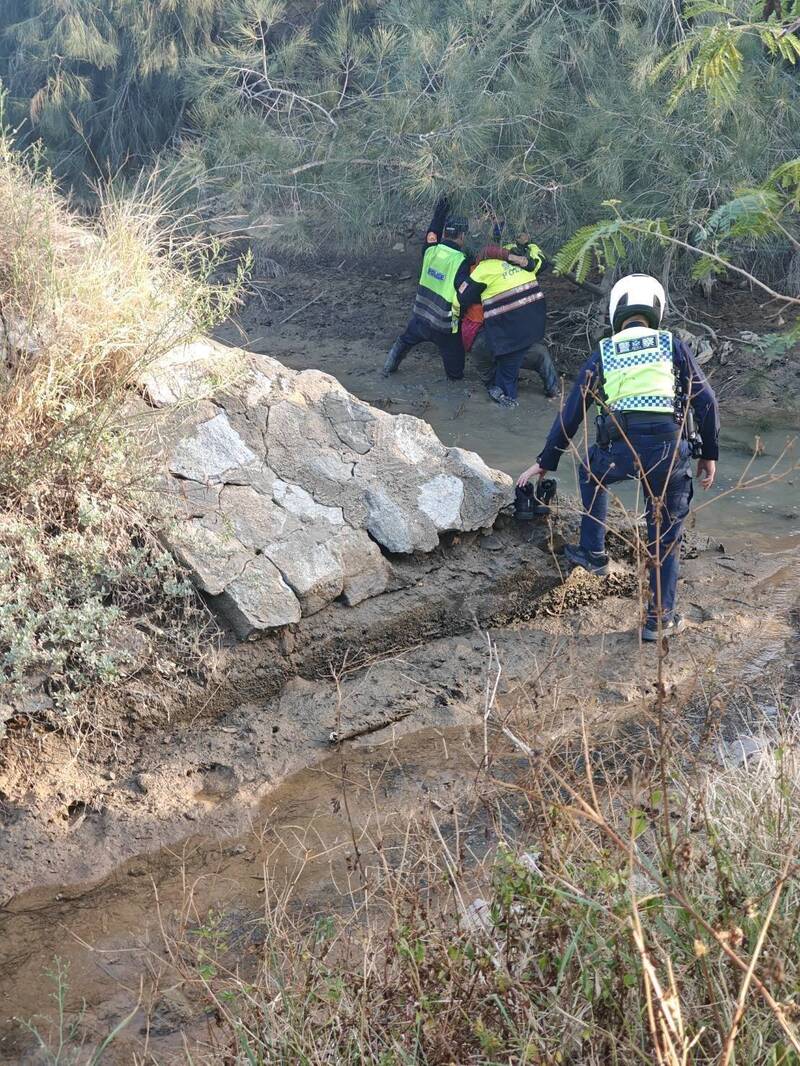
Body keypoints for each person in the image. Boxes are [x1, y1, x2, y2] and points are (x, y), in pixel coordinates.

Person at [517, 273, 720, 641]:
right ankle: (659, 621)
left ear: (616, 311)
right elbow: (706, 402)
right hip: (670, 455)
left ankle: (593, 553)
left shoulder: (605, 352)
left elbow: (572, 413)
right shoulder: (672, 345)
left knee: (590, 469)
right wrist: (708, 454)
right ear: (656, 310)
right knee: (666, 534)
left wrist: (545, 461)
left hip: (619, 453)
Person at [456, 224, 558, 408]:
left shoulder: (484, 268)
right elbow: (542, 261)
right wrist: (530, 244)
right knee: (538, 354)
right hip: (534, 324)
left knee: (504, 368)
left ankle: (503, 398)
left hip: (509, 330)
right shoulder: (524, 260)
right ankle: (554, 393)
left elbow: (462, 297)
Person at [382, 196, 470, 380]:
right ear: (462, 236)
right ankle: (453, 390)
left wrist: (443, 203)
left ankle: (387, 369)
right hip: (444, 325)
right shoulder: (461, 261)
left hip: (420, 317)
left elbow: (432, 230)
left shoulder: (430, 250)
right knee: (455, 374)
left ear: (445, 233)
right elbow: (465, 294)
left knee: (404, 342)